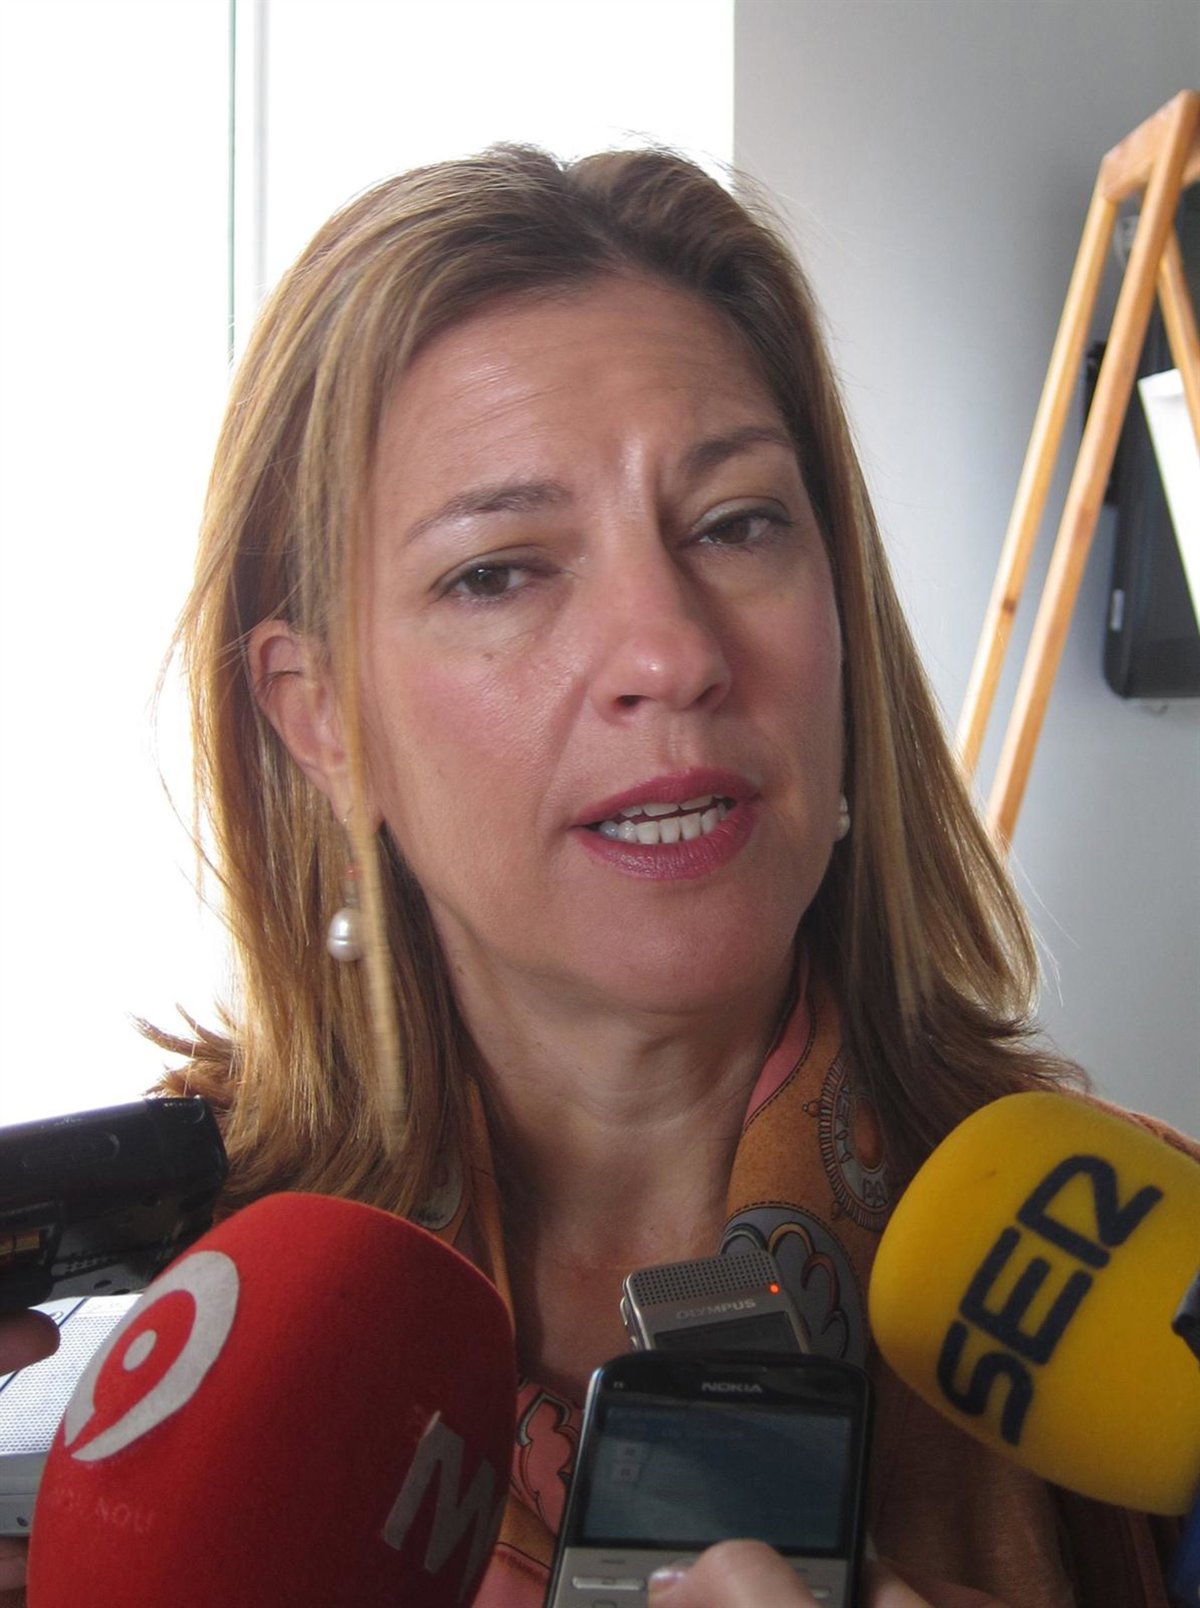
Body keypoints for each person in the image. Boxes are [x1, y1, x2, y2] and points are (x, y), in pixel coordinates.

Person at [1, 146, 1190, 1607]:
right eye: (500, 570)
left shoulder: (1162, 1291)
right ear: (320, 716)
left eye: (737, 524)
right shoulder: (130, 1345)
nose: (673, 653)